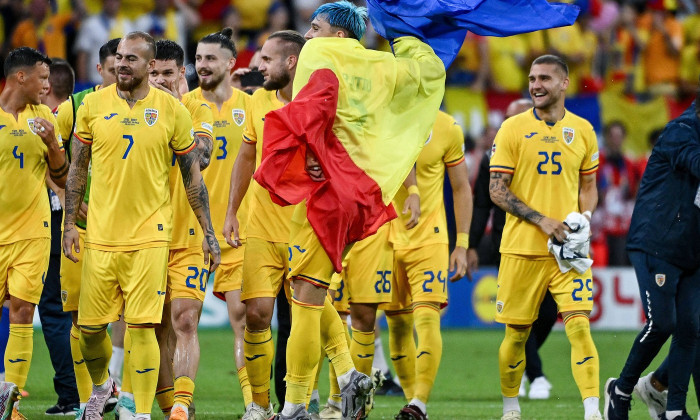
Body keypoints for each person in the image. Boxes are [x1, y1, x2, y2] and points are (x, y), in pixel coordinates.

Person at [252, 1, 446, 418]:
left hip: (330, 187)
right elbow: (428, 69)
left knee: (303, 295)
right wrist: (406, 31)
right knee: (308, 287)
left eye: (315, 28)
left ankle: (295, 405)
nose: (307, 37)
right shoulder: (383, 66)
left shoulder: (322, 55)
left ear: (338, 36)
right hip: (363, 192)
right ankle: (346, 374)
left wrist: (299, 144)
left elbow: (314, 108)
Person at [61, 31, 220, 420]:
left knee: (143, 326)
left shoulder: (172, 110)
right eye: (118, 57)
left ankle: (142, 413)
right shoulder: (93, 105)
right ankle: (103, 386)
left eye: (131, 58)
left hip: (152, 236)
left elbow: (193, 178)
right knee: (92, 331)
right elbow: (77, 170)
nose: (121, 64)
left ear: (149, 66)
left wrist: (209, 233)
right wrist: (68, 223)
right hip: (99, 237)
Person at [489, 54, 601, 420]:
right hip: (522, 249)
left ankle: (592, 411)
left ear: (564, 83)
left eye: (544, 79)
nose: (535, 85)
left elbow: (589, 186)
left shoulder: (583, 129)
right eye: (532, 78)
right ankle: (510, 408)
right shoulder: (512, 129)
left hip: (567, 254)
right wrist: (542, 220)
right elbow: (497, 191)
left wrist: (584, 218)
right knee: (517, 335)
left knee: (580, 326)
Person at [222, 29, 305, 420]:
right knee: (256, 314)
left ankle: (304, 400)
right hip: (261, 226)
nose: (257, 66)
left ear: (291, 62)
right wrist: (231, 211)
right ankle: (259, 406)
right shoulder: (258, 101)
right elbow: (245, 156)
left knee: (311, 316)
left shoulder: (320, 101)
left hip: (307, 226)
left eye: (266, 59)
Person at [604, 92, 700, 420]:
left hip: (691, 247)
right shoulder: (681, 131)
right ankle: (621, 388)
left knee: (690, 328)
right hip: (656, 242)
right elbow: (696, 164)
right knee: (663, 322)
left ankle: (674, 410)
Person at [384, 109, 472, 420]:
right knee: (396, 324)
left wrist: (461, 243)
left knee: (426, 319)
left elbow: (461, 187)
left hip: (430, 237)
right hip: (383, 236)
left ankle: (419, 402)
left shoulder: (447, 126)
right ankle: (411, 403)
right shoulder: (385, 113)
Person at [469, 98, 559, 401]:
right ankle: (535, 374)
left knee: (548, 312)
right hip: (509, 242)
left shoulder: (552, 149)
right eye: (509, 119)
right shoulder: (491, 159)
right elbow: (482, 203)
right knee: (520, 314)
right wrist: (469, 245)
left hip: (549, 239)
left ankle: (518, 365)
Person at [54, 37, 123, 417]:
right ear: (99, 70)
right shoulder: (77, 106)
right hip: (82, 230)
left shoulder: (144, 107)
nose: (120, 76)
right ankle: (91, 400)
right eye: (114, 70)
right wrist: (67, 199)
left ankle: (128, 397)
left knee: (133, 318)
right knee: (81, 317)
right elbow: (44, 152)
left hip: (127, 230)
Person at [146, 38, 214, 420]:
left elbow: (201, 158)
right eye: (153, 73)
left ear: (181, 73)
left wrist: (171, 107)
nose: (158, 80)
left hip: (188, 235)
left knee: (185, 320)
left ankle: (182, 408)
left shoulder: (194, 108)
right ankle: (168, 404)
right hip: (146, 237)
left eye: (167, 74)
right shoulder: (136, 112)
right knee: (153, 332)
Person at [187, 27, 253, 414]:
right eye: (197, 58)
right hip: (189, 230)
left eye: (210, 58)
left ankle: (252, 404)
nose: (202, 65)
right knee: (181, 321)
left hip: (237, 231)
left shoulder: (252, 106)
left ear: (231, 63)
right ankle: (180, 402)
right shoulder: (183, 104)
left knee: (243, 319)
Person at [0, 46, 68, 420]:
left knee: (24, 311)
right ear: (20, 77)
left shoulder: (45, 117)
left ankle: (11, 404)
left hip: (34, 232)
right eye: (42, 77)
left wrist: (53, 146)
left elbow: (60, 177)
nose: (48, 84)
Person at [40, 58, 81, 416]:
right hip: (87, 225)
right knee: (81, 314)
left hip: (54, 225)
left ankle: (73, 394)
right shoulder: (84, 115)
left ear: (48, 87)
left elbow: (57, 174)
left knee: (54, 309)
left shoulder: (49, 125)